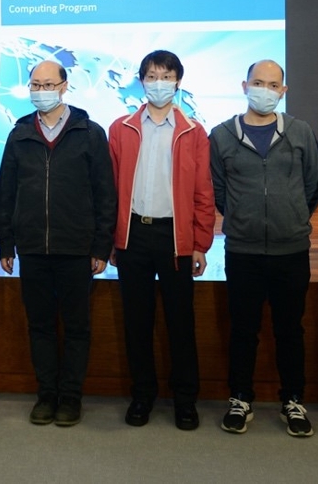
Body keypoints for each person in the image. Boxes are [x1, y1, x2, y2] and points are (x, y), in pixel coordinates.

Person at [0, 60, 116, 427]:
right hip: (33, 247)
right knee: (40, 326)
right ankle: (46, 395)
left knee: (77, 327)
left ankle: (71, 397)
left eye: (49, 85)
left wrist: (101, 246)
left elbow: (105, 193)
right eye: (35, 85)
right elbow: (7, 192)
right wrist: (6, 243)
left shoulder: (89, 132)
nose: (41, 91)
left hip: (76, 247)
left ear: (64, 87)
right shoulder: (20, 133)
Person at [209, 59, 318, 436]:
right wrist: (244, 218)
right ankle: (240, 398)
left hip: (291, 251)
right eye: (258, 83)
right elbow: (219, 190)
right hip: (243, 251)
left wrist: (291, 217)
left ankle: (294, 400)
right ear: (244, 86)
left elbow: (313, 185)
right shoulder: (221, 135)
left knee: (290, 330)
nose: (265, 90)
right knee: (243, 329)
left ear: (283, 91)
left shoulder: (301, 132)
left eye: (273, 85)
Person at [108, 50, 215, 431]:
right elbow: (110, 189)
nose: (159, 83)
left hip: (175, 237)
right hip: (133, 235)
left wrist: (200, 243)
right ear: (141, 81)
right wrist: (111, 240)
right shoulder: (120, 128)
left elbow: (203, 191)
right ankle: (142, 395)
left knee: (180, 322)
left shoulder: (193, 131)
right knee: (136, 322)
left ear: (178, 82)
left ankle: (185, 400)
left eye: (166, 77)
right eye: (152, 76)